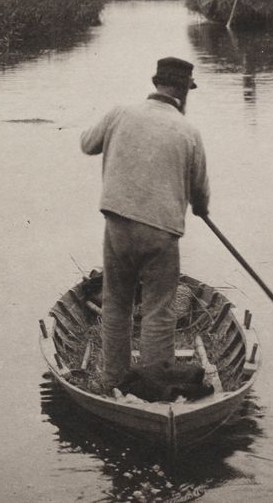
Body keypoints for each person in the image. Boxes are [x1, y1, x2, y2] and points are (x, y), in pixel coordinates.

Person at [80, 57, 211, 391]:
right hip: (161, 234)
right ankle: (153, 387)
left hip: (118, 226)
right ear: (183, 91)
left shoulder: (119, 113)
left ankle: (114, 381)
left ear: (156, 84)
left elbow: (87, 144)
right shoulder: (188, 131)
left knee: (117, 305)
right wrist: (200, 207)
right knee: (158, 310)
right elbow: (200, 193)